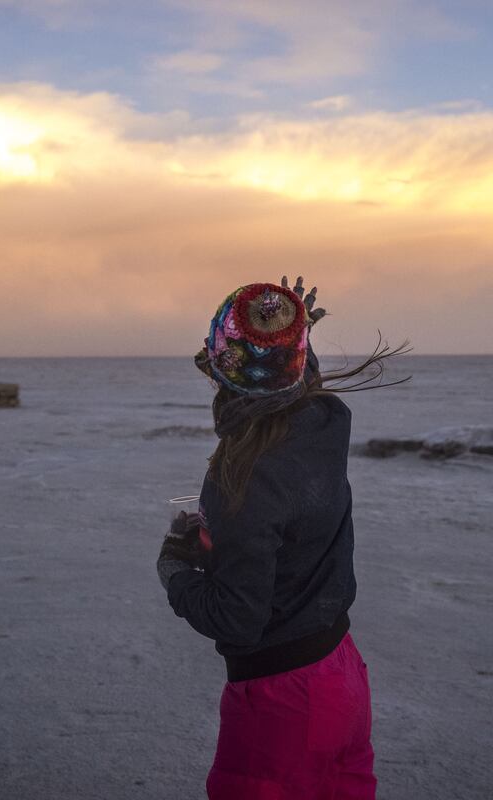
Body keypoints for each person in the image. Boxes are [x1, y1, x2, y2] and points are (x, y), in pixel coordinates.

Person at [157, 277, 408, 799]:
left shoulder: (243, 479)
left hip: (280, 703)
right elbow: (288, 379)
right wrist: (294, 333)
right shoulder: (324, 420)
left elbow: (238, 619)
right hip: (342, 674)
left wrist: (176, 574)